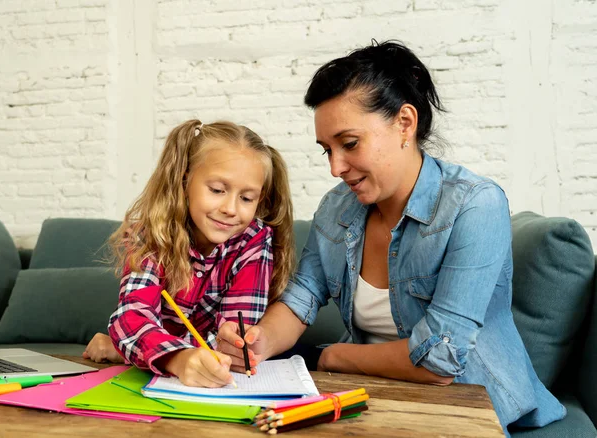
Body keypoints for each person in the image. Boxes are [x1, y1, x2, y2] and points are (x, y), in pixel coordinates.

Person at [215, 41, 566, 435]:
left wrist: (331, 357)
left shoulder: (474, 205)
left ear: (404, 123)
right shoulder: (337, 208)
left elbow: (440, 361)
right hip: (367, 398)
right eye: (326, 150)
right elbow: (302, 298)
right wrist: (261, 340)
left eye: (349, 144)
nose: (335, 167)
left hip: (468, 403)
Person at [84, 119, 294, 388]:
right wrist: (177, 358)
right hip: (167, 368)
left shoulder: (254, 241)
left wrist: (127, 350)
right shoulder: (150, 234)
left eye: (246, 198)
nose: (231, 208)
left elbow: (229, 344)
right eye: (217, 190)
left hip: (172, 362)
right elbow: (131, 317)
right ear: (184, 180)